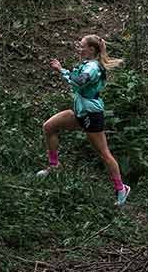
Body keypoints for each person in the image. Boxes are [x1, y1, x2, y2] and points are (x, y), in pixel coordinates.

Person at [36, 34, 131, 206]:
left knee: (104, 153)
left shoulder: (92, 67)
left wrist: (61, 70)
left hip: (91, 114)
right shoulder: (88, 64)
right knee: (49, 127)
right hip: (80, 111)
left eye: (82, 46)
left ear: (92, 49)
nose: (79, 48)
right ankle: (54, 166)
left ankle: (121, 188)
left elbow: (79, 82)